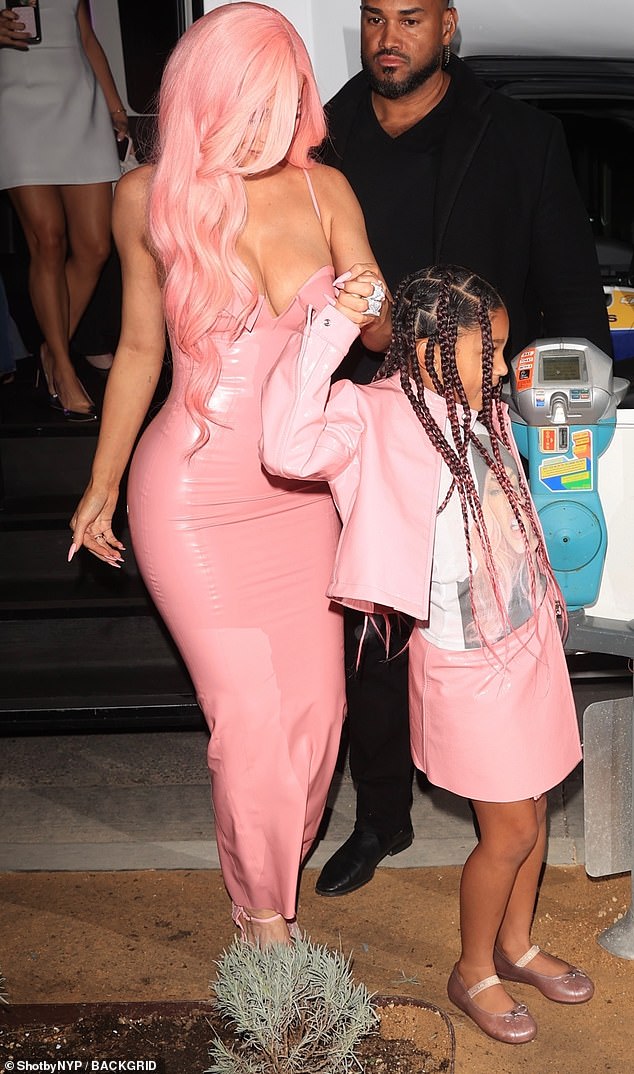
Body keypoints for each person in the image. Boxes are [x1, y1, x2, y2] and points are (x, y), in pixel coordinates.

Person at [68, 3, 390, 947]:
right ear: (208, 98)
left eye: (285, 101)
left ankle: (266, 881)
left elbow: (375, 331)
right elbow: (135, 350)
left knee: (318, 712)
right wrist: (99, 483)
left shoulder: (327, 192)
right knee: (249, 715)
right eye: (252, 100)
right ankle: (264, 924)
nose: (270, 122)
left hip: (300, 498)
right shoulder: (147, 196)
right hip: (193, 496)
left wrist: (371, 307)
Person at [316, 0, 613, 897]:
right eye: (373, 17)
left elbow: (572, 292)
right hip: (370, 427)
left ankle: (509, 805)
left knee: (491, 633)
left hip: (487, 430)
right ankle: (379, 818)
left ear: (449, 27)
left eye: (410, 17)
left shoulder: (521, 136)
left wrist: (556, 397)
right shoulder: (324, 141)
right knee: (370, 641)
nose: (388, 36)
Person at [260, 263, 594, 1043]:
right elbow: (285, 445)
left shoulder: (483, 406)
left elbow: (510, 508)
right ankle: (473, 967)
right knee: (507, 829)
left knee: (536, 807)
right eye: (492, 349)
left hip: (528, 638)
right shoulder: (370, 414)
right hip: (462, 655)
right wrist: (334, 327)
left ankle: (516, 945)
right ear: (425, 346)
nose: (503, 365)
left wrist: (548, 595)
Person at [0, 0, 127, 420]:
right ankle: (64, 367)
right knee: (47, 239)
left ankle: (50, 351)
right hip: (14, 100)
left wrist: (113, 107)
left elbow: (86, 35)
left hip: (78, 97)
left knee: (95, 245)